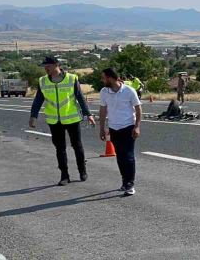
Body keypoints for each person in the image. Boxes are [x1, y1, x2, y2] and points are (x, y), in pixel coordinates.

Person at [29, 56, 96, 185]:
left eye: (48, 66)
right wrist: (33, 116)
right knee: (60, 148)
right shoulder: (43, 81)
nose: (46, 68)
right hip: (54, 120)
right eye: (44, 66)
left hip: (72, 118)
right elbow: (38, 100)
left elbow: (80, 98)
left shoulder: (71, 78)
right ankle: (64, 175)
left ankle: (82, 170)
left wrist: (89, 114)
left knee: (77, 145)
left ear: (57, 65)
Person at [99, 67, 142, 196]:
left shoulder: (129, 91)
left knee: (128, 155)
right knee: (120, 156)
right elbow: (102, 111)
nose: (102, 80)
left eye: (103, 77)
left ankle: (130, 183)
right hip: (114, 128)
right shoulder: (104, 92)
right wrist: (102, 128)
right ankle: (124, 181)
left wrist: (137, 126)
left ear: (110, 78)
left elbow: (138, 109)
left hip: (128, 126)